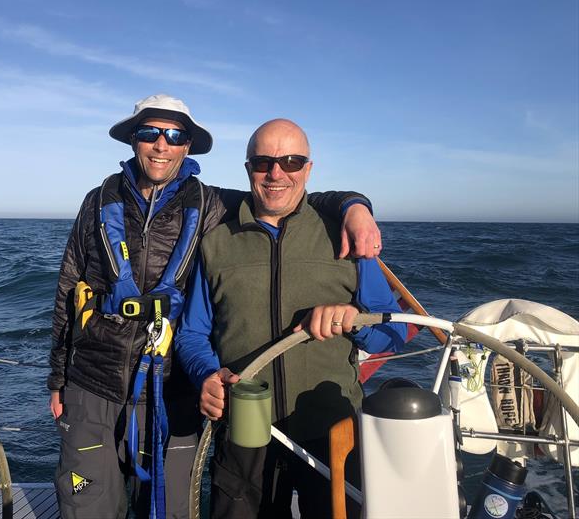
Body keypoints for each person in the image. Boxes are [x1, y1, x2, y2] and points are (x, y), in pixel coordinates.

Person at [48, 96, 383, 519]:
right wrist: (57, 376)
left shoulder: (210, 203)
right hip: (94, 378)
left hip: (172, 387)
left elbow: (283, 199)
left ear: (188, 145)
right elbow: (67, 287)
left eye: (175, 135)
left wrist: (354, 205)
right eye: (150, 133)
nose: (161, 145)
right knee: (85, 505)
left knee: (169, 510)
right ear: (134, 140)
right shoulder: (98, 203)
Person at [175, 118, 408, 519]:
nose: (277, 173)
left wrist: (355, 319)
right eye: (264, 161)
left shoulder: (345, 236)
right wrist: (206, 376)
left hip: (331, 431)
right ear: (248, 168)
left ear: (309, 169)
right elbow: (192, 334)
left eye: (291, 161)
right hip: (243, 431)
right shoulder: (215, 243)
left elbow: (395, 332)